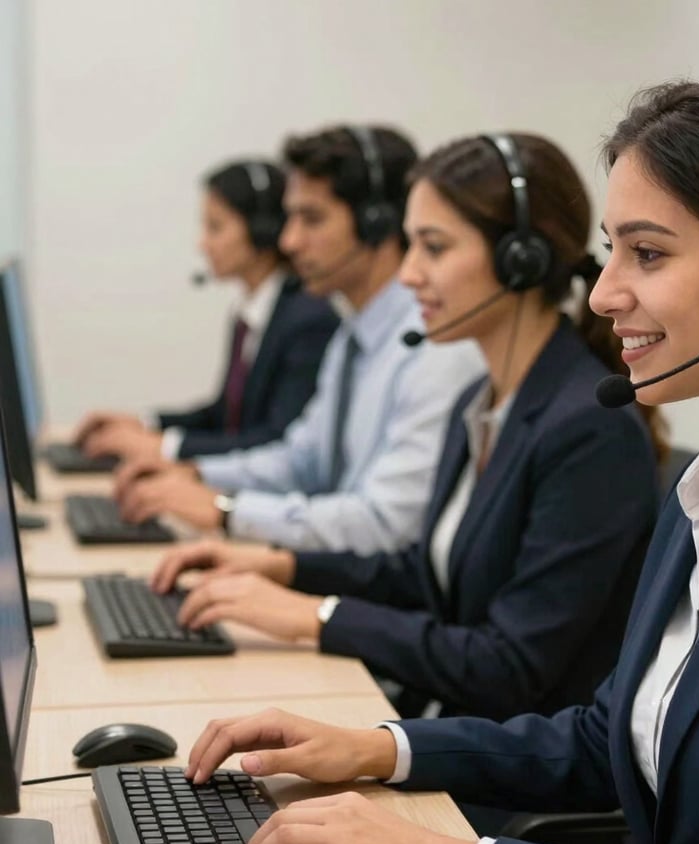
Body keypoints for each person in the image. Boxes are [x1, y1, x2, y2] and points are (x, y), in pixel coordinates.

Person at [182, 71, 699, 844]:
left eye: (648, 254)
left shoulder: (601, 438)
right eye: (611, 250)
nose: (604, 292)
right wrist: (380, 748)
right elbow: (597, 737)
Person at [152, 132, 662, 723]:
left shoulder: (586, 431)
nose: (409, 273)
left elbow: (509, 668)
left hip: (511, 772)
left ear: (522, 260)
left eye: (434, 248)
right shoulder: (485, 397)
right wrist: (286, 569)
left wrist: (319, 617)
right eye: (410, 245)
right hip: (455, 726)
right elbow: (425, 572)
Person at [112, 126, 485, 552]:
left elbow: (388, 523)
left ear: (376, 223)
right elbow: (302, 459)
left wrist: (228, 511)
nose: (289, 241)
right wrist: (197, 475)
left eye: (312, 219)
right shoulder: (352, 336)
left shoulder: (436, 347)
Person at [74, 160, 338, 461]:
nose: (203, 244)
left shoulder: (307, 320)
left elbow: (277, 441)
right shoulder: (249, 312)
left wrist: (161, 448)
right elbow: (225, 416)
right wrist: (146, 424)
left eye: (216, 227)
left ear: (262, 230)